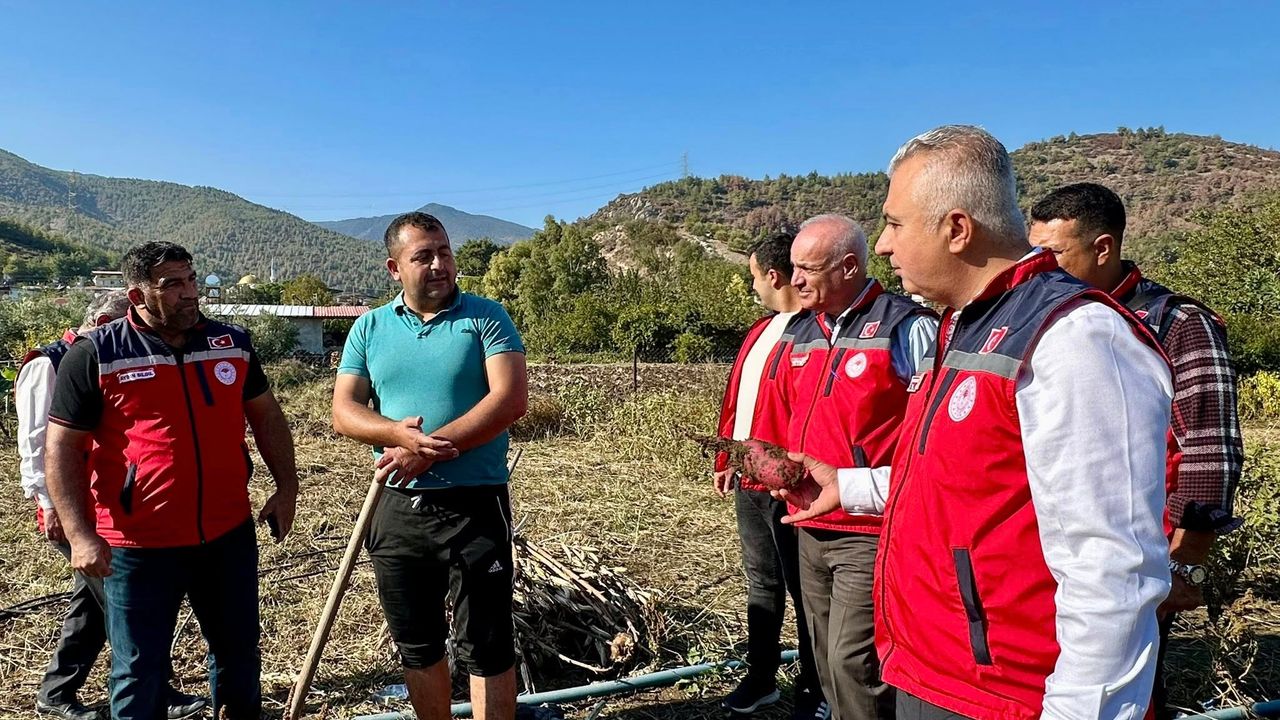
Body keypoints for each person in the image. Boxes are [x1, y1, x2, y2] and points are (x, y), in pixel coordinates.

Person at [782, 126, 1173, 719]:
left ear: (957, 230)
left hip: (1008, 696)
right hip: (931, 671)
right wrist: (852, 485)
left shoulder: (1074, 338)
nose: (884, 247)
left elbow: (1112, 571)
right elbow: (961, 479)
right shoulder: (962, 325)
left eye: (894, 224)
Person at [44, 241, 299, 720]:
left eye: (191, 280)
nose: (189, 294)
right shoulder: (97, 354)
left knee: (239, 654)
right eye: (172, 285)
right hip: (137, 545)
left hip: (227, 534)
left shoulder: (231, 343)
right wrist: (80, 534)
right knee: (138, 670)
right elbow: (60, 447)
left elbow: (266, 417)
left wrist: (287, 488)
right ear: (138, 295)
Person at [1028, 182, 1244, 719]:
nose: (1041, 268)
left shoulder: (1176, 322)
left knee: (1129, 689)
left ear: (1104, 248)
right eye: (1035, 253)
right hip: (1056, 551)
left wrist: (1187, 563)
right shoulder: (1046, 321)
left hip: (1140, 552)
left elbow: (1210, 447)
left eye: (1054, 255)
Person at [332, 211, 528, 720]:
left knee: (487, 641)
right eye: (423, 256)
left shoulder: (486, 316)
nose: (439, 264)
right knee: (417, 642)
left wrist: (429, 447)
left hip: (475, 501)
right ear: (394, 268)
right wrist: (396, 435)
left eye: (444, 251)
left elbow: (509, 400)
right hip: (396, 504)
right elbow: (344, 410)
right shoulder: (369, 328)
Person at [18, 291, 206, 720]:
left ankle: (57, 691)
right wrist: (50, 506)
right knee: (126, 605)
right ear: (105, 322)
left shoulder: (96, 360)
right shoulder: (46, 365)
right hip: (73, 508)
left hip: (107, 504)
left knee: (94, 599)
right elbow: (36, 447)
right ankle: (156, 691)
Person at [780, 214, 937, 720]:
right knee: (824, 654)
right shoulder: (799, 328)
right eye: (793, 268)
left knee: (855, 660)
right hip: (808, 522)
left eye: (808, 268)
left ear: (849, 267)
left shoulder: (906, 327)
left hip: (870, 527)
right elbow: (782, 412)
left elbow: (929, 437)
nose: (795, 280)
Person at [712, 233, 827, 719]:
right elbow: (737, 401)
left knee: (806, 590)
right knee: (761, 580)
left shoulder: (815, 333)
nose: (753, 284)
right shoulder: (760, 331)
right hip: (750, 482)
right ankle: (761, 678)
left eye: (755, 275)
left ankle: (815, 687)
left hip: (791, 485)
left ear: (773, 276)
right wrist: (726, 459)